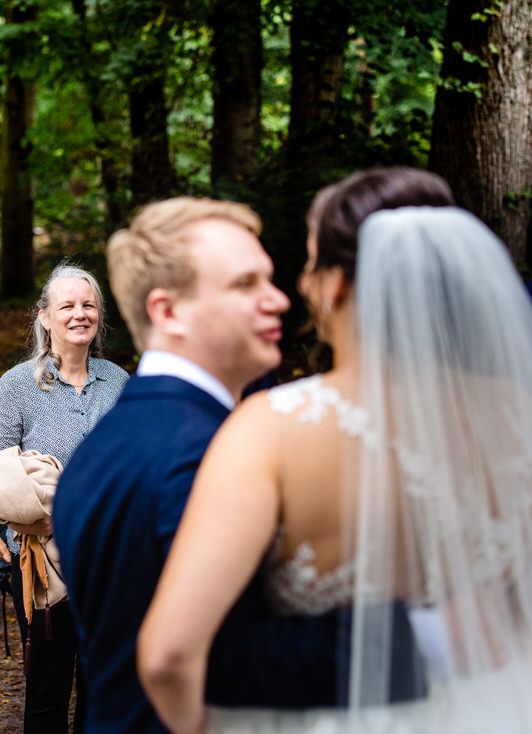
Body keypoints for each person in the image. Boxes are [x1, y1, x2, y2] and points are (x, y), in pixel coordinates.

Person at [136, 169, 532, 733]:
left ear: (337, 284)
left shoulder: (272, 430)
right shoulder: (519, 415)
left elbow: (168, 655)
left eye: (310, 261)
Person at [52, 194, 433, 734]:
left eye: (271, 280)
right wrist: (429, 639)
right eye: (245, 284)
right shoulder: (212, 449)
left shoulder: (101, 446)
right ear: (167, 311)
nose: (279, 300)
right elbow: (217, 660)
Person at [0, 263, 129, 733]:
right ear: (44, 317)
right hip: (43, 566)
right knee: (48, 688)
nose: (80, 314)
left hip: (110, 561)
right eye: (67, 306)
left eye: (88, 305)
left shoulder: (120, 383)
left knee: (104, 687)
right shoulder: (18, 387)